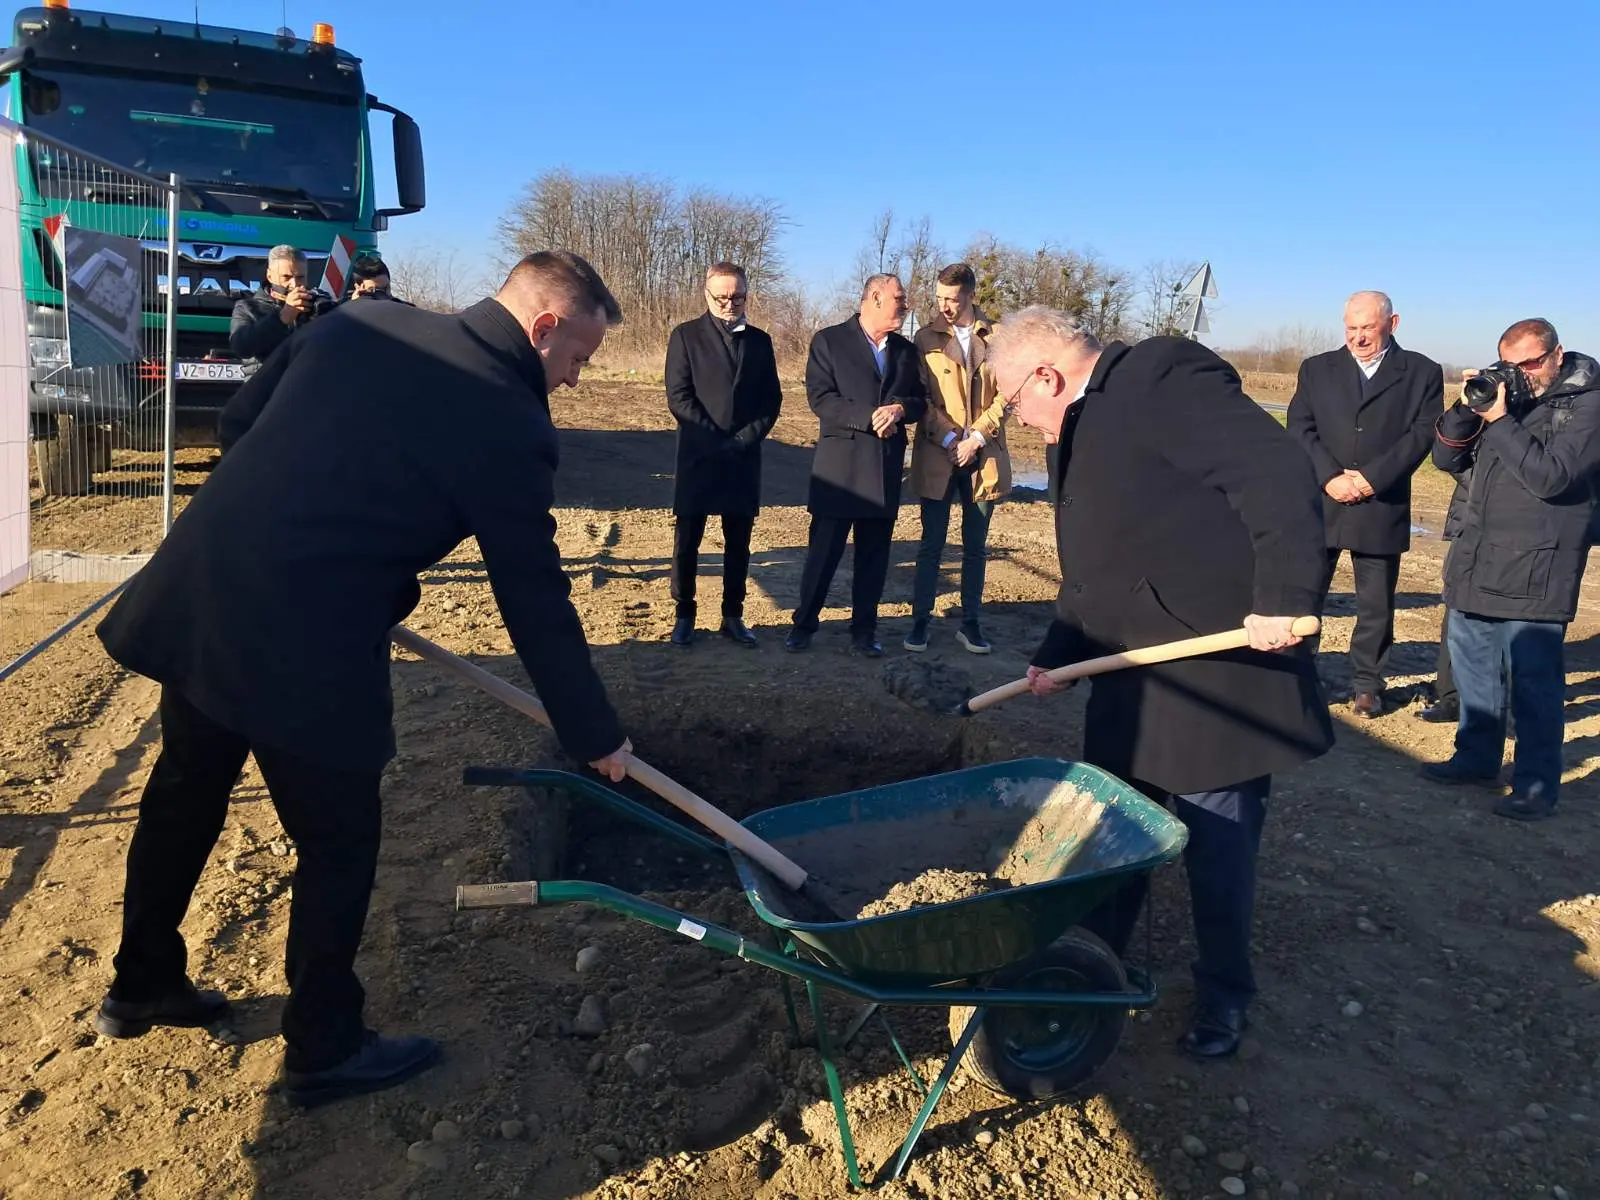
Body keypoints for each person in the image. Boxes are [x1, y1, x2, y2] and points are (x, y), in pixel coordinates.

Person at [91, 250, 634, 1107]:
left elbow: (239, 424)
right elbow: (532, 595)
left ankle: (141, 981)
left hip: (205, 590)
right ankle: (325, 1045)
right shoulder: (508, 418)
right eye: (578, 358)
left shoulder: (361, 321)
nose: (573, 379)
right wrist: (594, 732)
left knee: (184, 793)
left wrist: (305, 518)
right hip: (309, 639)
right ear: (543, 328)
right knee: (338, 842)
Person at [989, 306, 1334, 1060]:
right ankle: (1093, 971)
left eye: (1015, 402)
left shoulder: (1158, 377)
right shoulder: (1082, 424)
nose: (1021, 419)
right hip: (1128, 680)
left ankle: (1224, 995)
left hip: (1212, 680)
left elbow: (1276, 472)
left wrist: (1284, 596)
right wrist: (1058, 651)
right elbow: (1099, 564)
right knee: (1112, 842)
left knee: (1218, 850)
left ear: (1046, 375)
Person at [1423, 318, 1600, 821]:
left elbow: (1552, 477)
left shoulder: (1588, 405)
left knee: (1534, 685)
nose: (1523, 373)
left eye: (1531, 362)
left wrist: (1500, 421)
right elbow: (1444, 460)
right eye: (1511, 364)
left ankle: (1536, 785)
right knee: (1474, 672)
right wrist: (1468, 407)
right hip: (1478, 555)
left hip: (1540, 564)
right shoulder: (1506, 397)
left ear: (1557, 355)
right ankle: (1476, 759)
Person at [1286, 291, 1443, 717]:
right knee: (1305, 593)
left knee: (1375, 603)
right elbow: (1299, 426)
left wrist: (1373, 478)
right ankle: (1298, 675)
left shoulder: (1422, 372)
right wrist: (1329, 477)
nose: (1358, 337)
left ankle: (1367, 685)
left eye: (1368, 328)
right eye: (1351, 328)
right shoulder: (1316, 368)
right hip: (1321, 499)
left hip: (1381, 503)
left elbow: (1422, 433)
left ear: (1393, 324)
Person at [785, 274, 927, 657]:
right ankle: (804, 624)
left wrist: (899, 409)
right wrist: (869, 416)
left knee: (874, 558)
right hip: (840, 471)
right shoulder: (829, 340)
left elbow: (920, 401)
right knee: (823, 554)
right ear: (875, 298)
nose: (906, 305)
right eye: (899, 298)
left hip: (883, 468)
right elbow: (821, 398)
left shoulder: (905, 350)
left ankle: (864, 631)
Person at [664, 262, 784, 648]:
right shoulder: (685, 336)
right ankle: (685, 613)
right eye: (722, 297)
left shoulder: (760, 342)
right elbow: (679, 396)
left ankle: (733, 614)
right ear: (707, 295)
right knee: (688, 541)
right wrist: (714, 439)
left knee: (738, 543)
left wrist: (744, 439)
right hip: (699, 454)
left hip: (743, 457)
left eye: (738, 297)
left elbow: (771, 400)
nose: (730, 304)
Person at [905, 263, 1011, 655]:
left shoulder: (999, 338)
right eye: (939, 298)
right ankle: (920, 621)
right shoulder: (924, 339)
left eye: (951, 299)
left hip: (984, 456)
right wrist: (951, 437)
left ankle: (971, 623)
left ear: (970, 295)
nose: (944, 306)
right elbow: (922, 396)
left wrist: (977, 437)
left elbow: (1008, 395)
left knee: (976, 547)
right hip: (939, 453)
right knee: (931, 544)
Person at [1417, 468, 1471, 723]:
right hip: (1475, 512)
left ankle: (1513, 707)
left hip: (1543, 522)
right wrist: (1493, 479)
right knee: (1457, 606)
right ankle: (1451, 698)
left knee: (1524, 618)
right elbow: (1448, 454)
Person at [228, 245, 325, 375]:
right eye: (286, 277)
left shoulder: (314, 305)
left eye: (300, 277)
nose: (294, 284)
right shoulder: (248, 307)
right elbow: (241, 347)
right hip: (266, 383)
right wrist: (282, 318)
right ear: (269, 275)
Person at [346, 255, 413, 305]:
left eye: (386, 288)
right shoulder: (346, 314)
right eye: (372, 290)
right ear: (357, 287)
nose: (382, 296)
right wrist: (356, 305)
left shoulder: (406, 310)